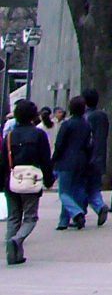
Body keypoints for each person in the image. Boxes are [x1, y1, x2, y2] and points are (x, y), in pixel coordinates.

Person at [4, 101, 51, 264]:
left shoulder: (9, 136)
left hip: (11, 180)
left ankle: (12, 254)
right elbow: (45, 159)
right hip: (31, 180)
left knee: (13, 217)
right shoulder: (39, 135)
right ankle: (17, 240)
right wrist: (49, 178)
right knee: (30, 217)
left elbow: (3, 160)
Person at [82, 93, 112, 227]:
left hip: (88, 157)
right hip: (100, 156)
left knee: (82, 187)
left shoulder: (86, 117)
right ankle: (99, 206)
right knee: (94, 187)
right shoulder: (102, 116)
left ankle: (80, 212)